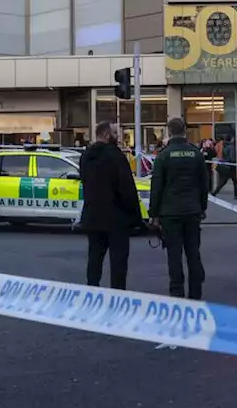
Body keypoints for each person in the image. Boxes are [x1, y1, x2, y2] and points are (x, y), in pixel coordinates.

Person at [148, 117, 209, 300]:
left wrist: (154, 214)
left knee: (174, 255)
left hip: (170, 212)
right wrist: (202, 207)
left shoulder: (164, 155)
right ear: (185, 131)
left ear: (169, 132)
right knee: (193, 252)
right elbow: (204, 184)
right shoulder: (196, 153)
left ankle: (177, 292)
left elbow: (157, 186)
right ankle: (196, 292)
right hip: (192, 211)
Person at [78, 121, 142, 290]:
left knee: (94, 258)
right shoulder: (116, 156)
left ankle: (92, 291)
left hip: (93, 215)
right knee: (118, 262)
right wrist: (136, 217)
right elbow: (127, 189)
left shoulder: (85, 156)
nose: (118, 136)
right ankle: (118, 296)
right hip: (116, 218)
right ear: (107, 135)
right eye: (115, 133)